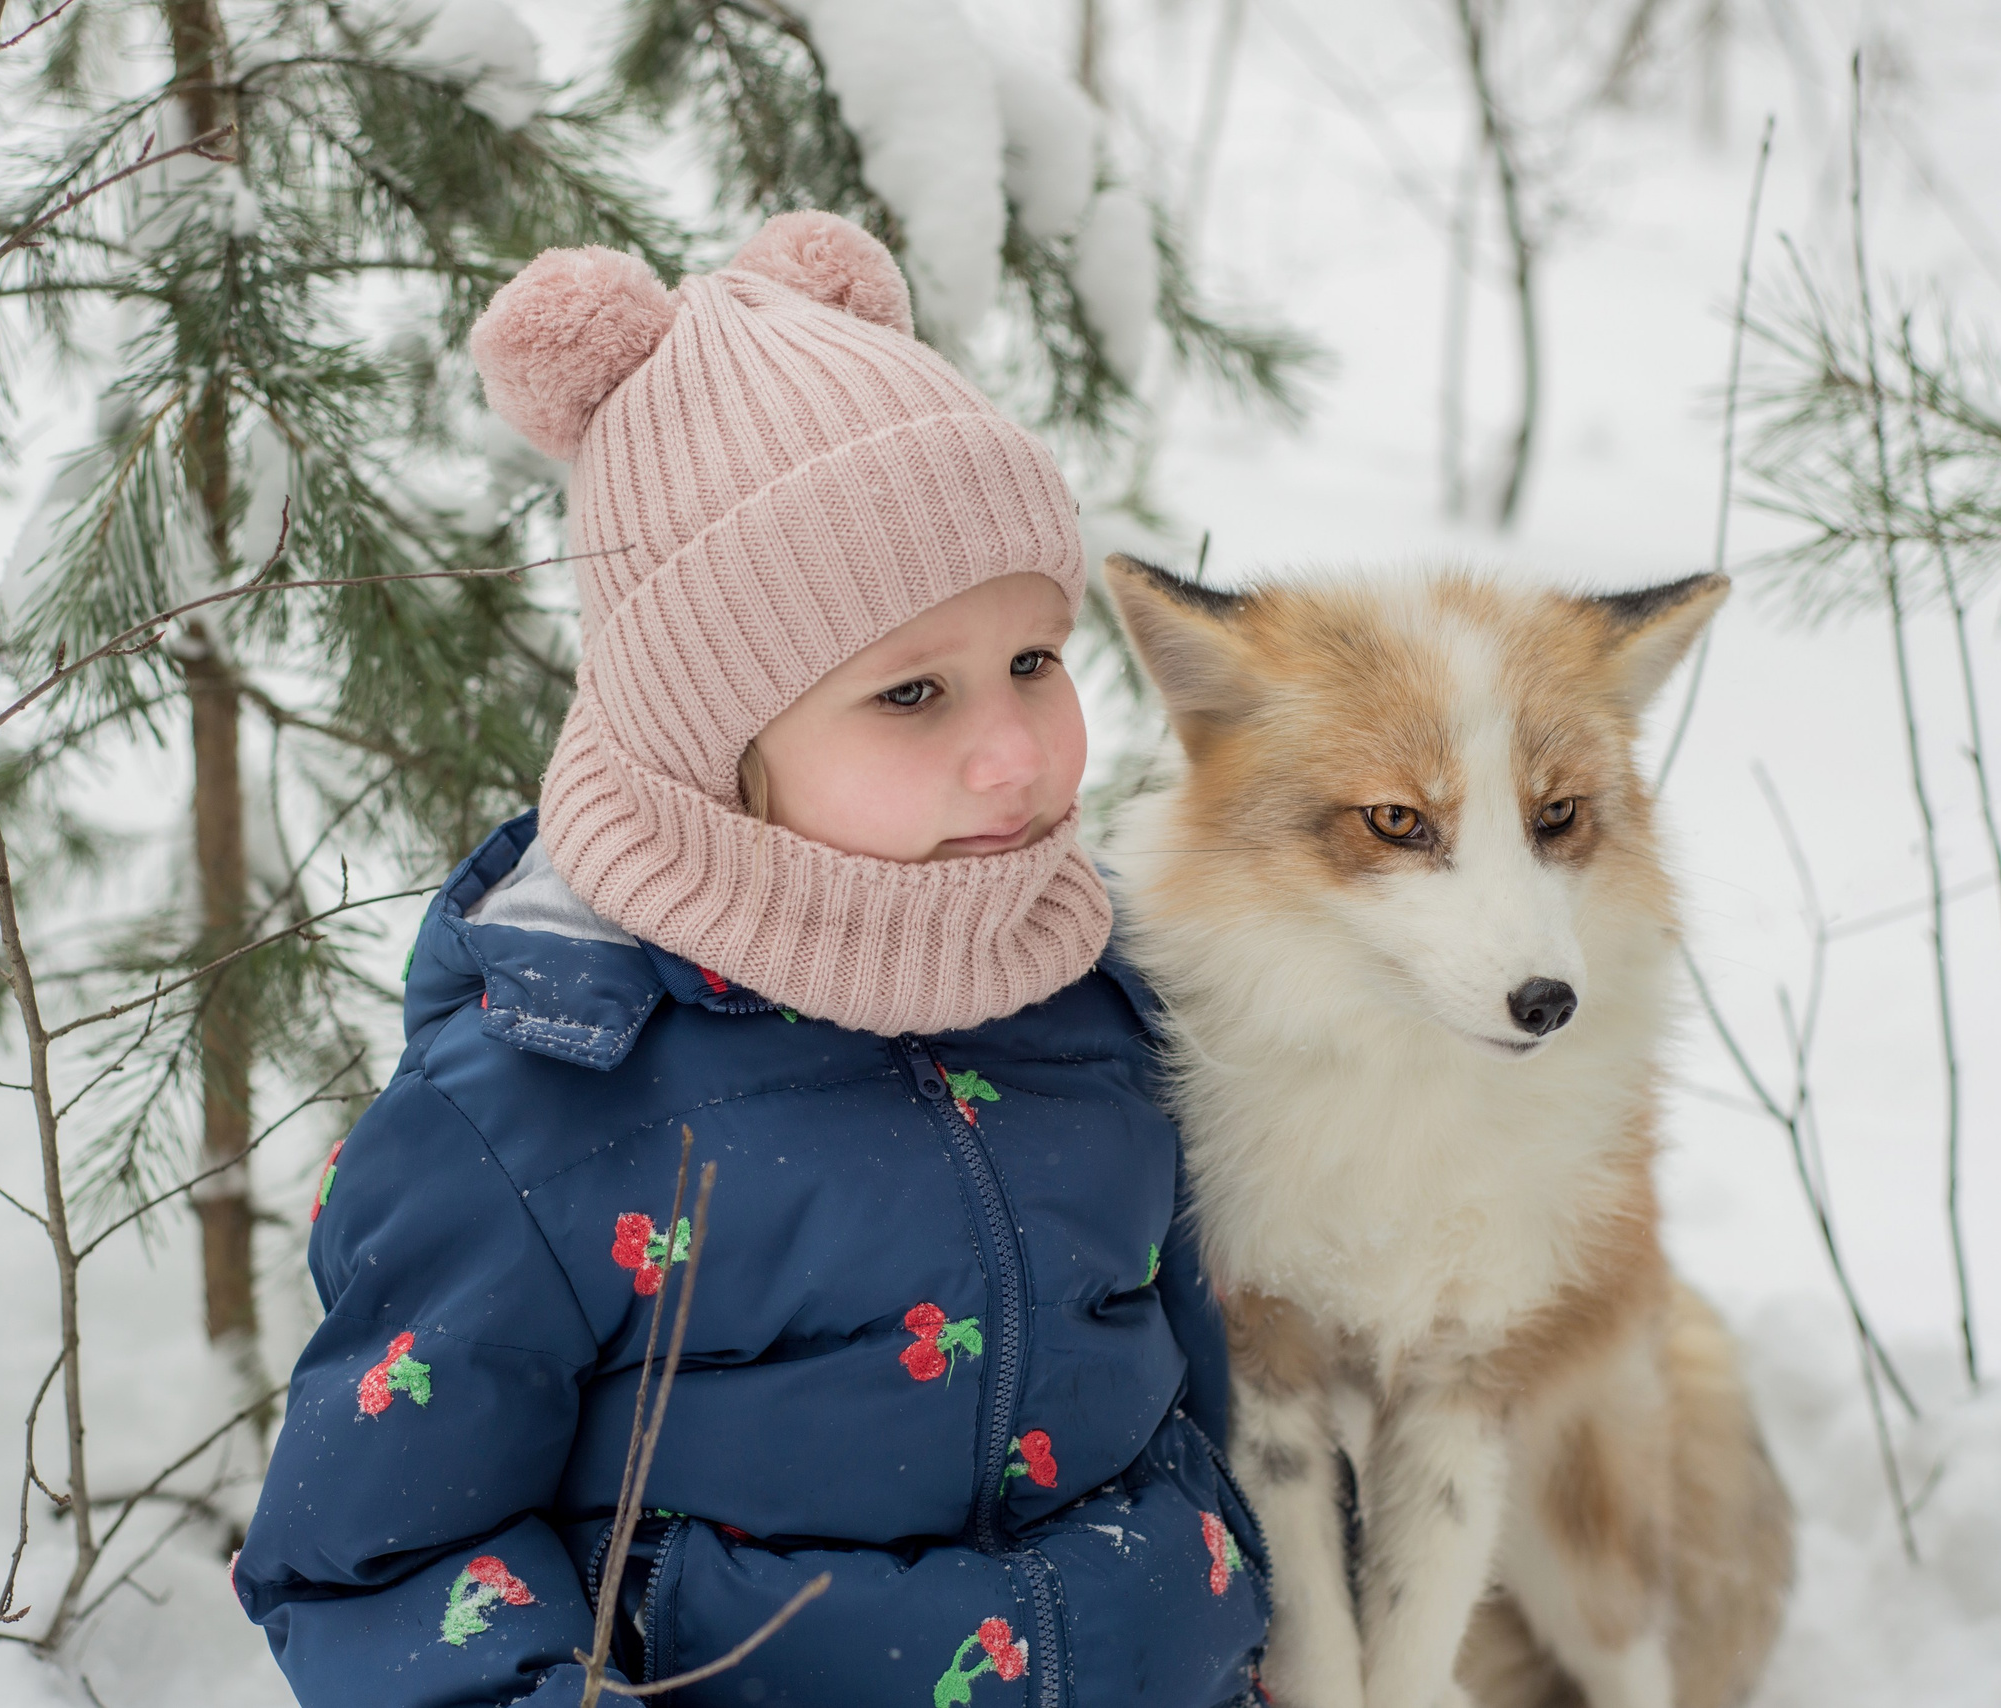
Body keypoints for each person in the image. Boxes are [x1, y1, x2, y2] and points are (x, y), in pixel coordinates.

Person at [232, 212, 1269, 1708]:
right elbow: (383, 1557)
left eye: (1033, 662)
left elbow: (1199, 1395)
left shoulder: (1095, 991)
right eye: (911, 693)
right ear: (711, 746)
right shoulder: (539, 1110)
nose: (1013, 754)